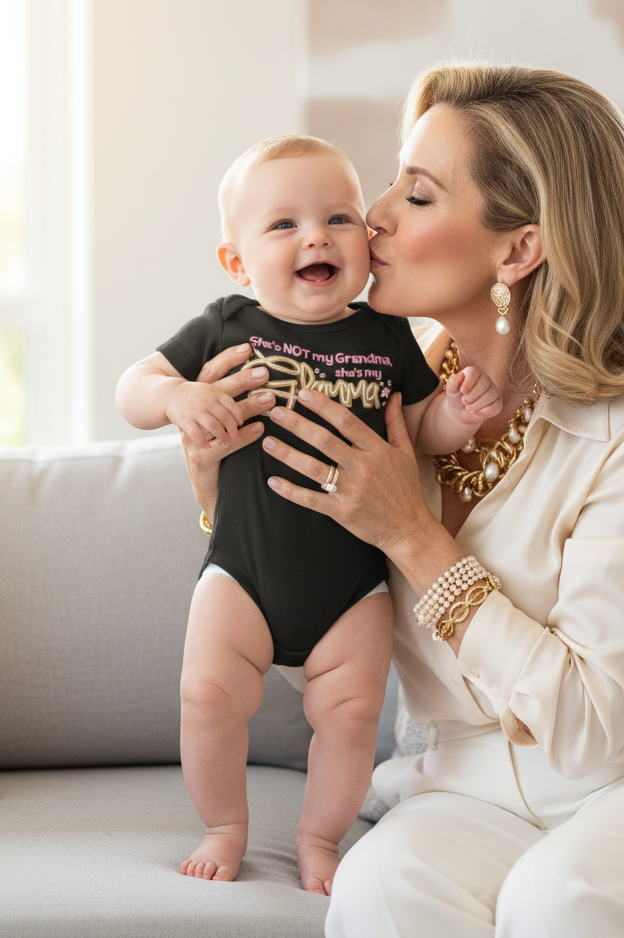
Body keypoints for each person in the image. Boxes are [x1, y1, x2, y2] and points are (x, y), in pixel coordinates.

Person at [178, 64, 624, 937]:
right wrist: (217, 484)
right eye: (392, 181)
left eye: (419, 196)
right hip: (470, 788)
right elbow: (285, 595)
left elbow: (585, 727)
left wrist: (413, 532)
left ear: (517, 250)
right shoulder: (388, 392)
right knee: (376, 889)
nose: (376, 214)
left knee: (564, 901)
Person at [115, 134, 503, 893]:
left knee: (353, 715)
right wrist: (175, 397)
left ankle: (320, 839)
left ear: (365, 239)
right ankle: (226, 827)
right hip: (242, 574)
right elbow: (134, 386)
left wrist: (456, 417)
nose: (315, 236)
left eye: (338, 218)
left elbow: (418, 433)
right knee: (206, 696)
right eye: (283, 225)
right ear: (237, 262)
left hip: (350, 587)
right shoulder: (227, 325)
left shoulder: (387, 336)